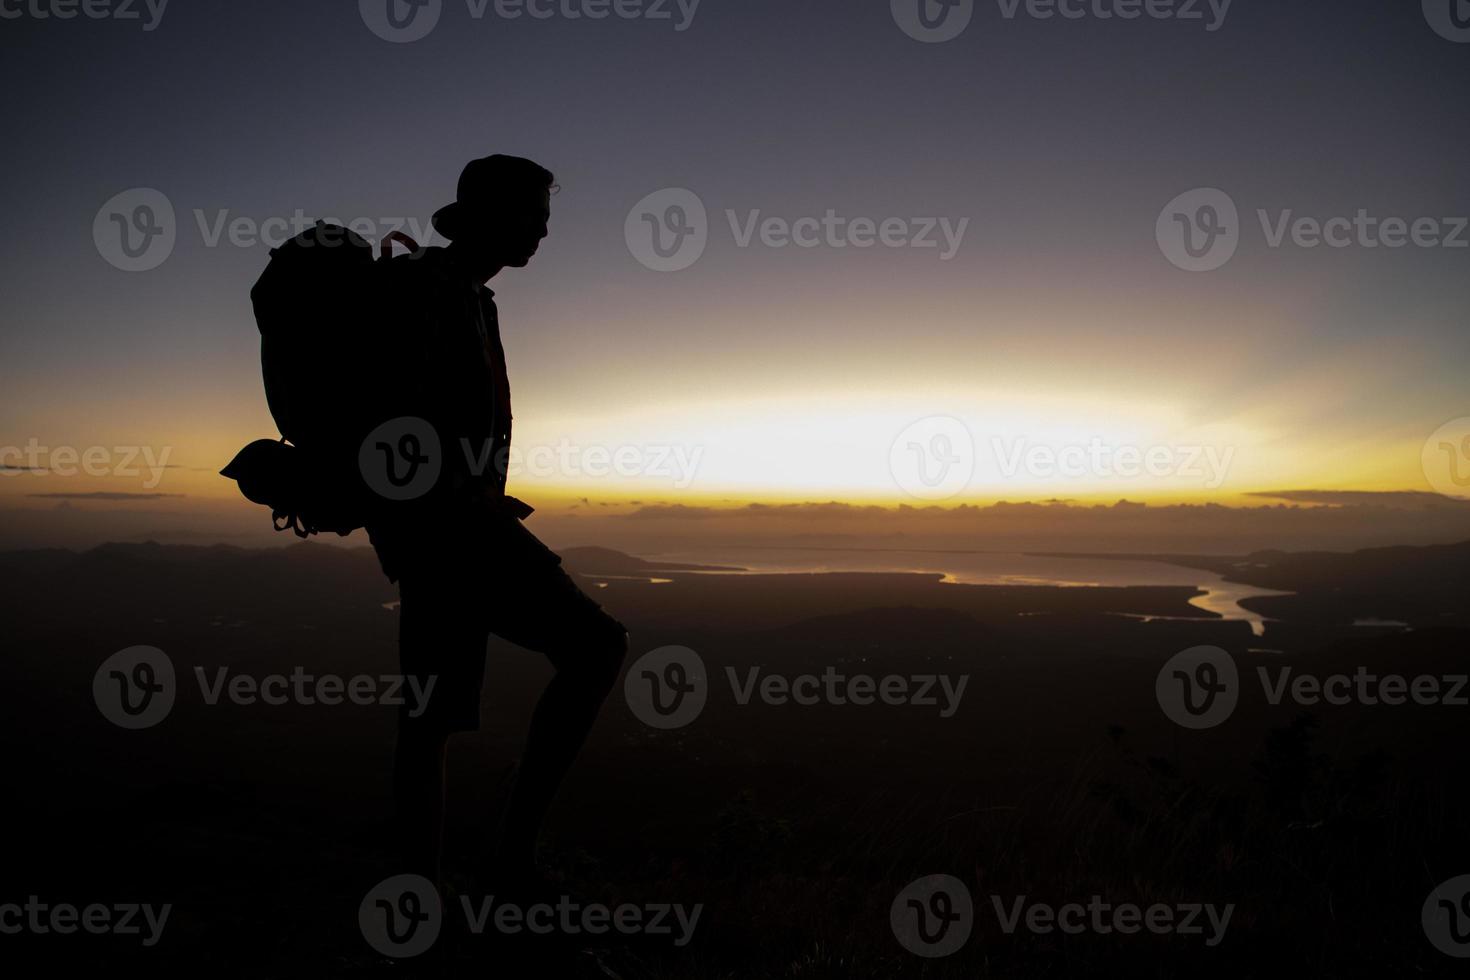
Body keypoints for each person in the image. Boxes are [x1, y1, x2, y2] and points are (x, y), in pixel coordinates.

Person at [365, 154, 629, 893]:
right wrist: (463, 492)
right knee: (597, 645)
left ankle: (427, 889)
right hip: (448, 529)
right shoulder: (427, 290)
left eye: (545, 217)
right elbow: (390, 420)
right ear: (484, 216)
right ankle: (505, 864)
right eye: (530, 215)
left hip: (442, 529)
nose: (543, 231)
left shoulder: (476, 299)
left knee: (431, 717)